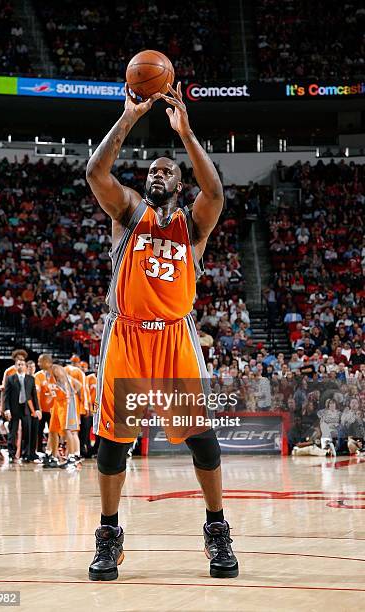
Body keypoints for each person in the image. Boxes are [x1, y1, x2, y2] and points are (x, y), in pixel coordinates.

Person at [85, 82, 238, 581]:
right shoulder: (128, 211)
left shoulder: (193, 226)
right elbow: (95, 172)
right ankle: (109, 535)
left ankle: (217, 530)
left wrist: (187, 135)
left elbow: (215, 191)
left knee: (202, 440)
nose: (157, 172)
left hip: (174, 338)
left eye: (166, 171)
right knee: (114, 443)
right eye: (152, 169)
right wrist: (128, 118)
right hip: (127, 338)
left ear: (178, 183)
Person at [37, 354, 80, 468]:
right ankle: (54, 457)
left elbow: (73, 384)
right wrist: (52, 396)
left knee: (67, 430)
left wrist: (69, 394)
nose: (38, 363)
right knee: (52, 431)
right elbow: (56, 387)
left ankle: (71, 458)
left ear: (46, 362)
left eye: (40, 361)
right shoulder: (45, 374)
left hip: (66, 402)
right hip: (57, 403)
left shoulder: (56, 368)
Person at [4, 356, 41, 462]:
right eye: (18, 364)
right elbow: (7, 396)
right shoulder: (10, 378)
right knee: (12, 432)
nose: (20, 366)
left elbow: (34, 396)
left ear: (26, 367)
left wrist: (37, 409)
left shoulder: (31, 379)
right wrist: (7, 409)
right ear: (15, 366)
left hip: (27, 409)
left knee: (27, 432)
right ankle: (11, 454)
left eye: (22, 364)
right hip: (14, 408)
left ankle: (26, 454)